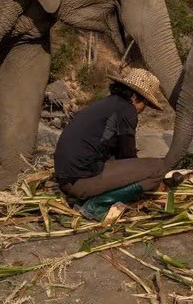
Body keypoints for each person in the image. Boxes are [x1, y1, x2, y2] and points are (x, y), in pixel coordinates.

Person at [54, 67, 169, 220]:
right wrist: (154, 183)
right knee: (157, 168)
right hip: (80, 183)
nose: (142, 110)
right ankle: (97, 205)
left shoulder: (108, 104)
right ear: (135, 97)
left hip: (67, 179)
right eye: (145, 104)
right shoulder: (127, 110)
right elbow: (127, 157)